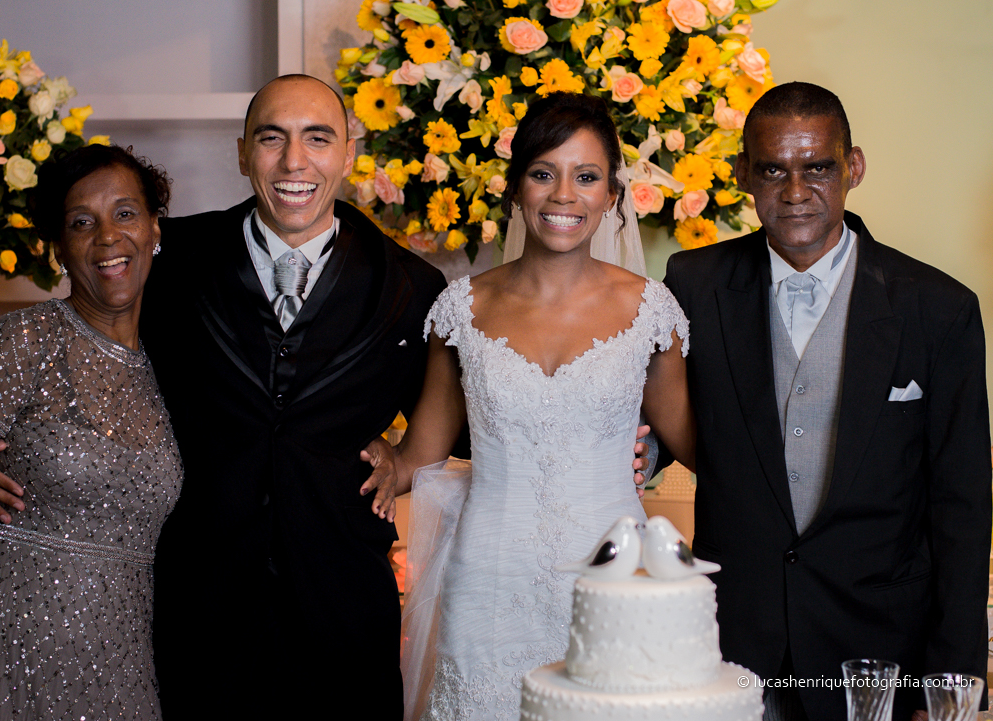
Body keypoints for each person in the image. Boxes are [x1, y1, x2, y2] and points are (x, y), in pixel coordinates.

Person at [0, 74, 447, 719]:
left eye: (317, 139)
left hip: (343, 618)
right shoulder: (165, 258)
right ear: (243, 154)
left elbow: (459, 427)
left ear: (349, 154)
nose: (294, 162)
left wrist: (400, 457)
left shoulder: (412, 287)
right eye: (271, 139)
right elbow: (75, 354)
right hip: (192, 617)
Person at [661, 82, 991, 721]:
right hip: (731, 643)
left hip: (878, 648)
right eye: (772, 170)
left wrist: (951, 683)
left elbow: (963, 505)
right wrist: (635, 451)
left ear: (853, 167)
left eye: (817, 168)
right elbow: (660, 412)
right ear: (743, 174)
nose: (795, 191)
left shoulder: (939, 307)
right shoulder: (692, 284)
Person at [363, 92, 696, 721]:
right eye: (544, 173)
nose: (564, 195)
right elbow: (419, 456)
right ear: (516, 188)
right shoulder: (461, 309)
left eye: (586, 177)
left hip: (612, 579)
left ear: (612, 196)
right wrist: (377, 455)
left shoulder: (651, 311)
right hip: (489, 582)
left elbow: (698, 443)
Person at [0, 145, 179, 718]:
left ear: (155, 228)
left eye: (125, 214)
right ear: (58, 247)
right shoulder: (24, 342)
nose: (108, 237)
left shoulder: (176, 365)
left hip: (120, 671)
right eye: (82, 222)